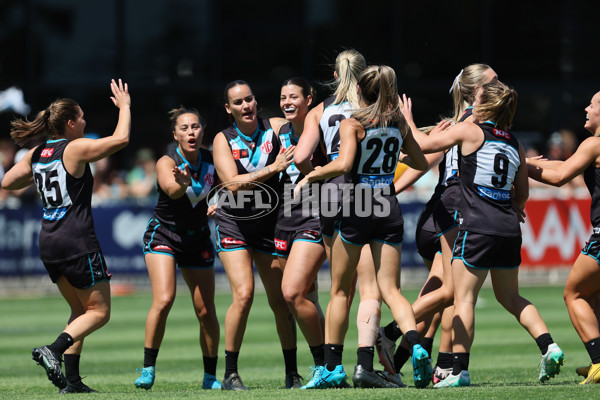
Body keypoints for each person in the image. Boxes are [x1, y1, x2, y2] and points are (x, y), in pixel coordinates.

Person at [417, 79, 564, 387]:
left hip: (478, 227)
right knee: (511, 296)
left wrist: (404, 120)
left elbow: (424, 145)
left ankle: (460, 371)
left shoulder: (472, 131)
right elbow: (521, 194)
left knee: (464, 299)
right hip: (509, 228)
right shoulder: (515, 142)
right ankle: (549, 345)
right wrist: (509, 205)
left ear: (484, 105)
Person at [295, 65, 432, 389]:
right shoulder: (397, 121)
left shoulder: (353, 123)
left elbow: (343, 165)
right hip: (387, 204)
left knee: (341, 290)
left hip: (358, 204)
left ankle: (331, 367)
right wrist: (391, 161)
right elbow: (422, 162)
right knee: (392, 290)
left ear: (360, 91)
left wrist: (311, 176)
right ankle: (414, 344)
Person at [1, 79, 131, 393]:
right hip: (77, 240)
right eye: (82, 118)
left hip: (49, 241)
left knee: (79, 312)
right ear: (70, 123)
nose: (85, 122)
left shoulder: (37, 153)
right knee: (99, 312)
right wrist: (125, 106)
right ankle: (53, 350)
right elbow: (122, 139)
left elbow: (7, 182)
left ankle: (72, 382)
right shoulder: (75, 148)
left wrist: (40, 176)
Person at [377, 64, 499, 385]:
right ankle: (396, 336)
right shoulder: (471, 122)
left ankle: (397, 368)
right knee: (456, 292)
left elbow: (417, 163)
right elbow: (421, 153)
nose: (501, 87)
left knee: (442, 301)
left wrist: (387, 192)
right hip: (448, 212)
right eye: (493, 82)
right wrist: (410, 124)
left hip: (443, 213)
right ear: (476, 91)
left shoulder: (463, 123)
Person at [212, 80, 298, 390]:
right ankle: (230, 375)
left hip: (270, 225)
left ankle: (292, 374)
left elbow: (305, 126)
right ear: (228, 109)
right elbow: (232, 185)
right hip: (233, 223)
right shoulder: (223, 140)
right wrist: (274, 167)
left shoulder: (274, 127)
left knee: (281, 301)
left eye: (249, 99)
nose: (246, 106)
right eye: (238, 102)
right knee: (244, 294)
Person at [134, 107, 221, 390]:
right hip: (164, 235)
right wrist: (183, 184)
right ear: (175, 135)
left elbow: (226, 189)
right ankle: (148, 369)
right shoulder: (166, 161)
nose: (190, 132)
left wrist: (220, 203)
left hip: (197, 239)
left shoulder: (212, 160)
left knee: (206, 311)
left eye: (195, 127)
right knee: (164, 299)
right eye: (184, 128)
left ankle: (210, 377)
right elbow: (172, 190)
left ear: (202, 131)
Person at [527, 91, 600, 384]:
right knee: (594, 296)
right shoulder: (590, 149)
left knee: (574, 293)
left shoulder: (594, 144)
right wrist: (527, 162)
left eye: (592, 105)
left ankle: (598, 362)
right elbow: (561, 167)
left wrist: (519, 164)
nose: (586, 108)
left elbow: (559, 178)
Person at [276, 77, 329, 383]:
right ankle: (329, 367)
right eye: (283, 98)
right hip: (283, 221)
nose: (287, 102)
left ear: (309, 99)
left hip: (315, 217)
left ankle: (323, 366)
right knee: (306, 298)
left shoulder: (321, 129)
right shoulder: (279, 131)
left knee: (292, 293)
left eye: (294, 96)